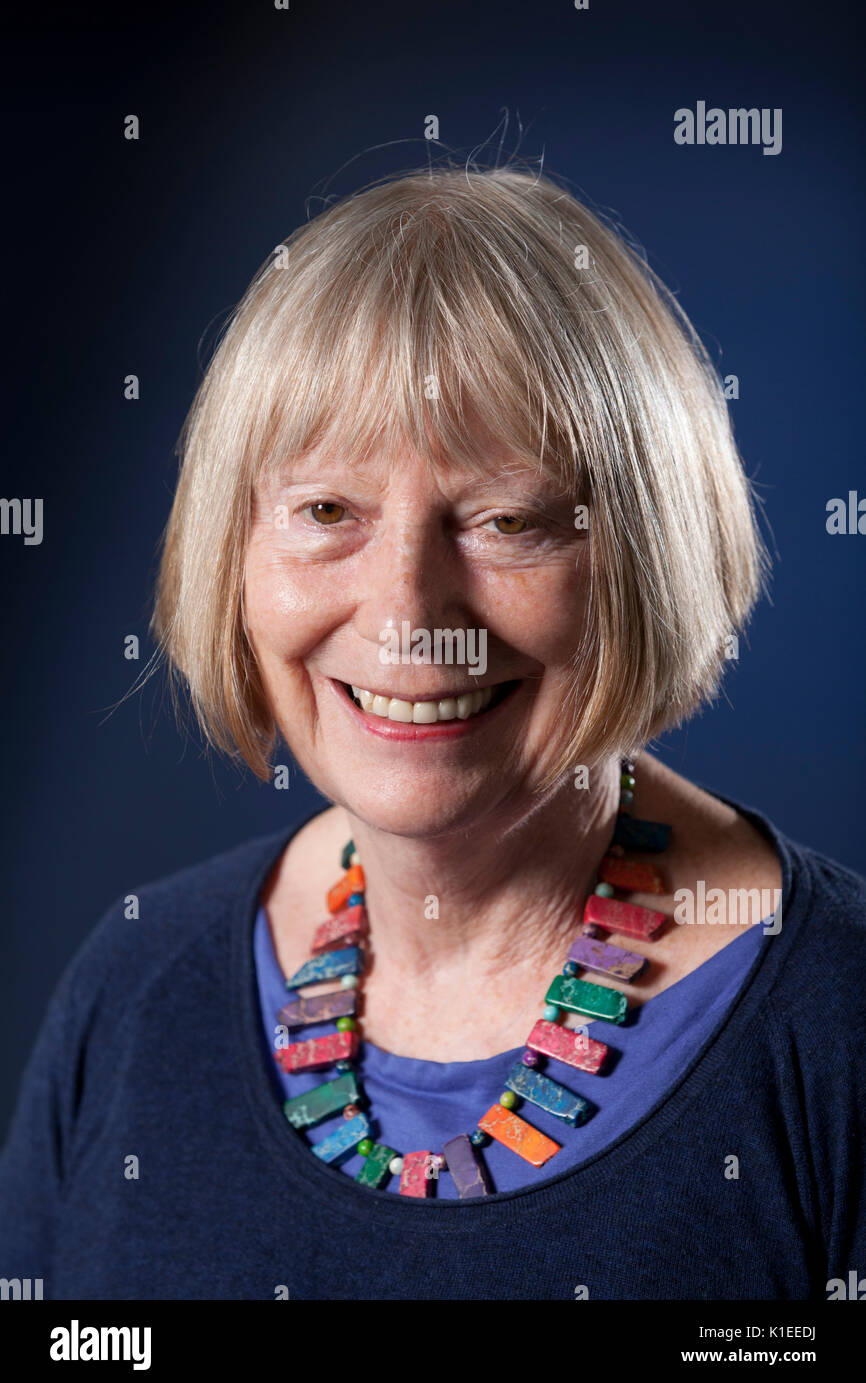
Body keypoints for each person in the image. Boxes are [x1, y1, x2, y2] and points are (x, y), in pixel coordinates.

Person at [2, 163, 864, 1300]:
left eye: (505, 519)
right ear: (233, 552)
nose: (409, 615)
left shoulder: (834, 1028)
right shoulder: (134, 979)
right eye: (324, 511)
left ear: (647, 550)